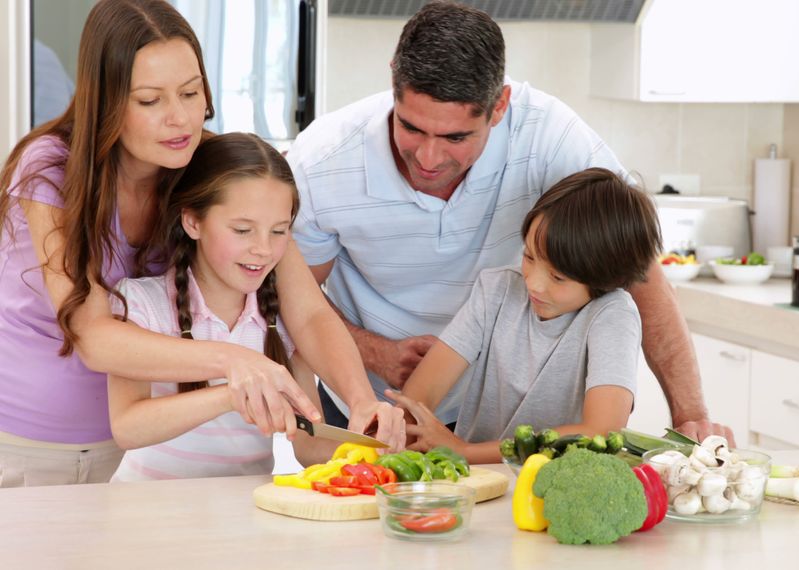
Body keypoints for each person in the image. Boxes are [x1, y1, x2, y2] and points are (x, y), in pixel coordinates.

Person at [287, 1, 732, 442]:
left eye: (456, 137)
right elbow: (294, 295)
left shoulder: (549, 137)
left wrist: (690, 415)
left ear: (499, 106)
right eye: (412, 128)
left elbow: (636, 267)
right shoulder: (323, 160)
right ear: (393, 82)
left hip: (506, 414)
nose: (428, 158)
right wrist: (374, 352)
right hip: (368, 398)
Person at [0, 0, 400, 488]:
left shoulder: (201, 162)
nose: (181, 119)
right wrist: (235, 362)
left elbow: (308, 310)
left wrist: (360, 400)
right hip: (23, 442)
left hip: (131, 453)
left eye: (191, 93)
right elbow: (95, 337)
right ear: (105, 100)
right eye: (151, 101)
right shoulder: (50, 170)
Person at [108, 133, 349, 480]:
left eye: (279, 231)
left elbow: (309, 446)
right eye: (242, 230)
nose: (264, 249)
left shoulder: (285, 319)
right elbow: (128, 426)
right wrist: (232, 393)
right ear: (193, 222)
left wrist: (380, 451)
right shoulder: (141, 303)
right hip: (149, 513)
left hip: (243, 513)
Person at [388, 168, 662, 464]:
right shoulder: (497, 289)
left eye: (557, 277)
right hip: (475, 478)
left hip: (553, 485)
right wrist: (397, 436)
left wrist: (466, 452)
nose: (533, 283)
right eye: (529, 257)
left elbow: (601, 430)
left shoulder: (613, 314)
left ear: (604, 281)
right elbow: (418, 396)